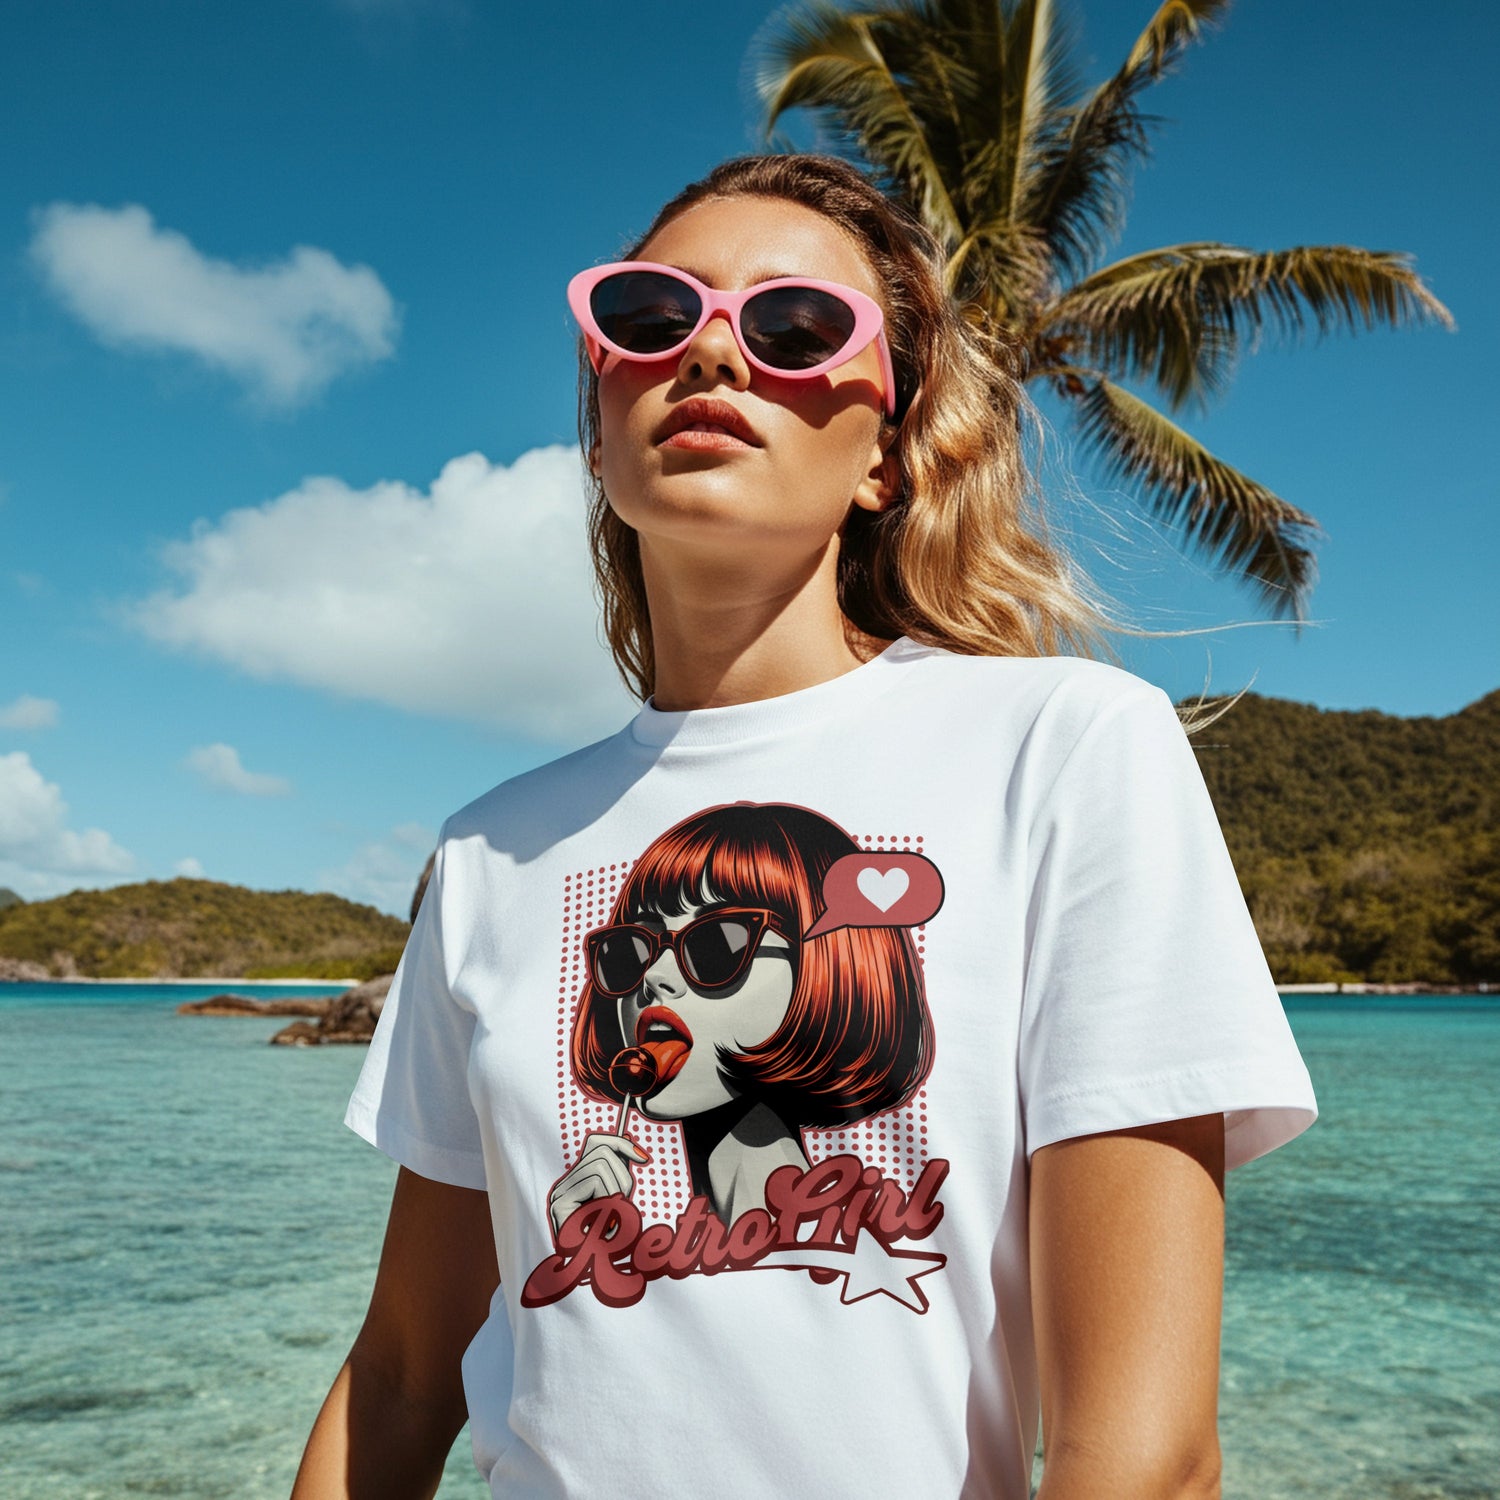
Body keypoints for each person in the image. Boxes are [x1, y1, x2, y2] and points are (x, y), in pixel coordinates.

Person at [292, 153, 1317, 1500]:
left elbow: (1145, 1450)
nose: (713, 355)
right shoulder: (492, 855)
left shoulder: (1067, 751)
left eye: (792, 327)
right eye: (653, 316)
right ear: (599, 428)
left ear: (886, 452)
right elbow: (404, 1377)